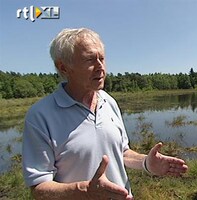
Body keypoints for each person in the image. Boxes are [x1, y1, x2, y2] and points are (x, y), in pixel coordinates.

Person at [22, 28, 188, 200]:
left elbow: (122, 153)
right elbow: (39, 188)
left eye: (101, 58)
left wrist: (147, 163)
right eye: (89, 60)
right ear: (63, 67)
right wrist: (85, 191)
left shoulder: (108, 102)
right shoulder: (40, 116)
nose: (100, 67)